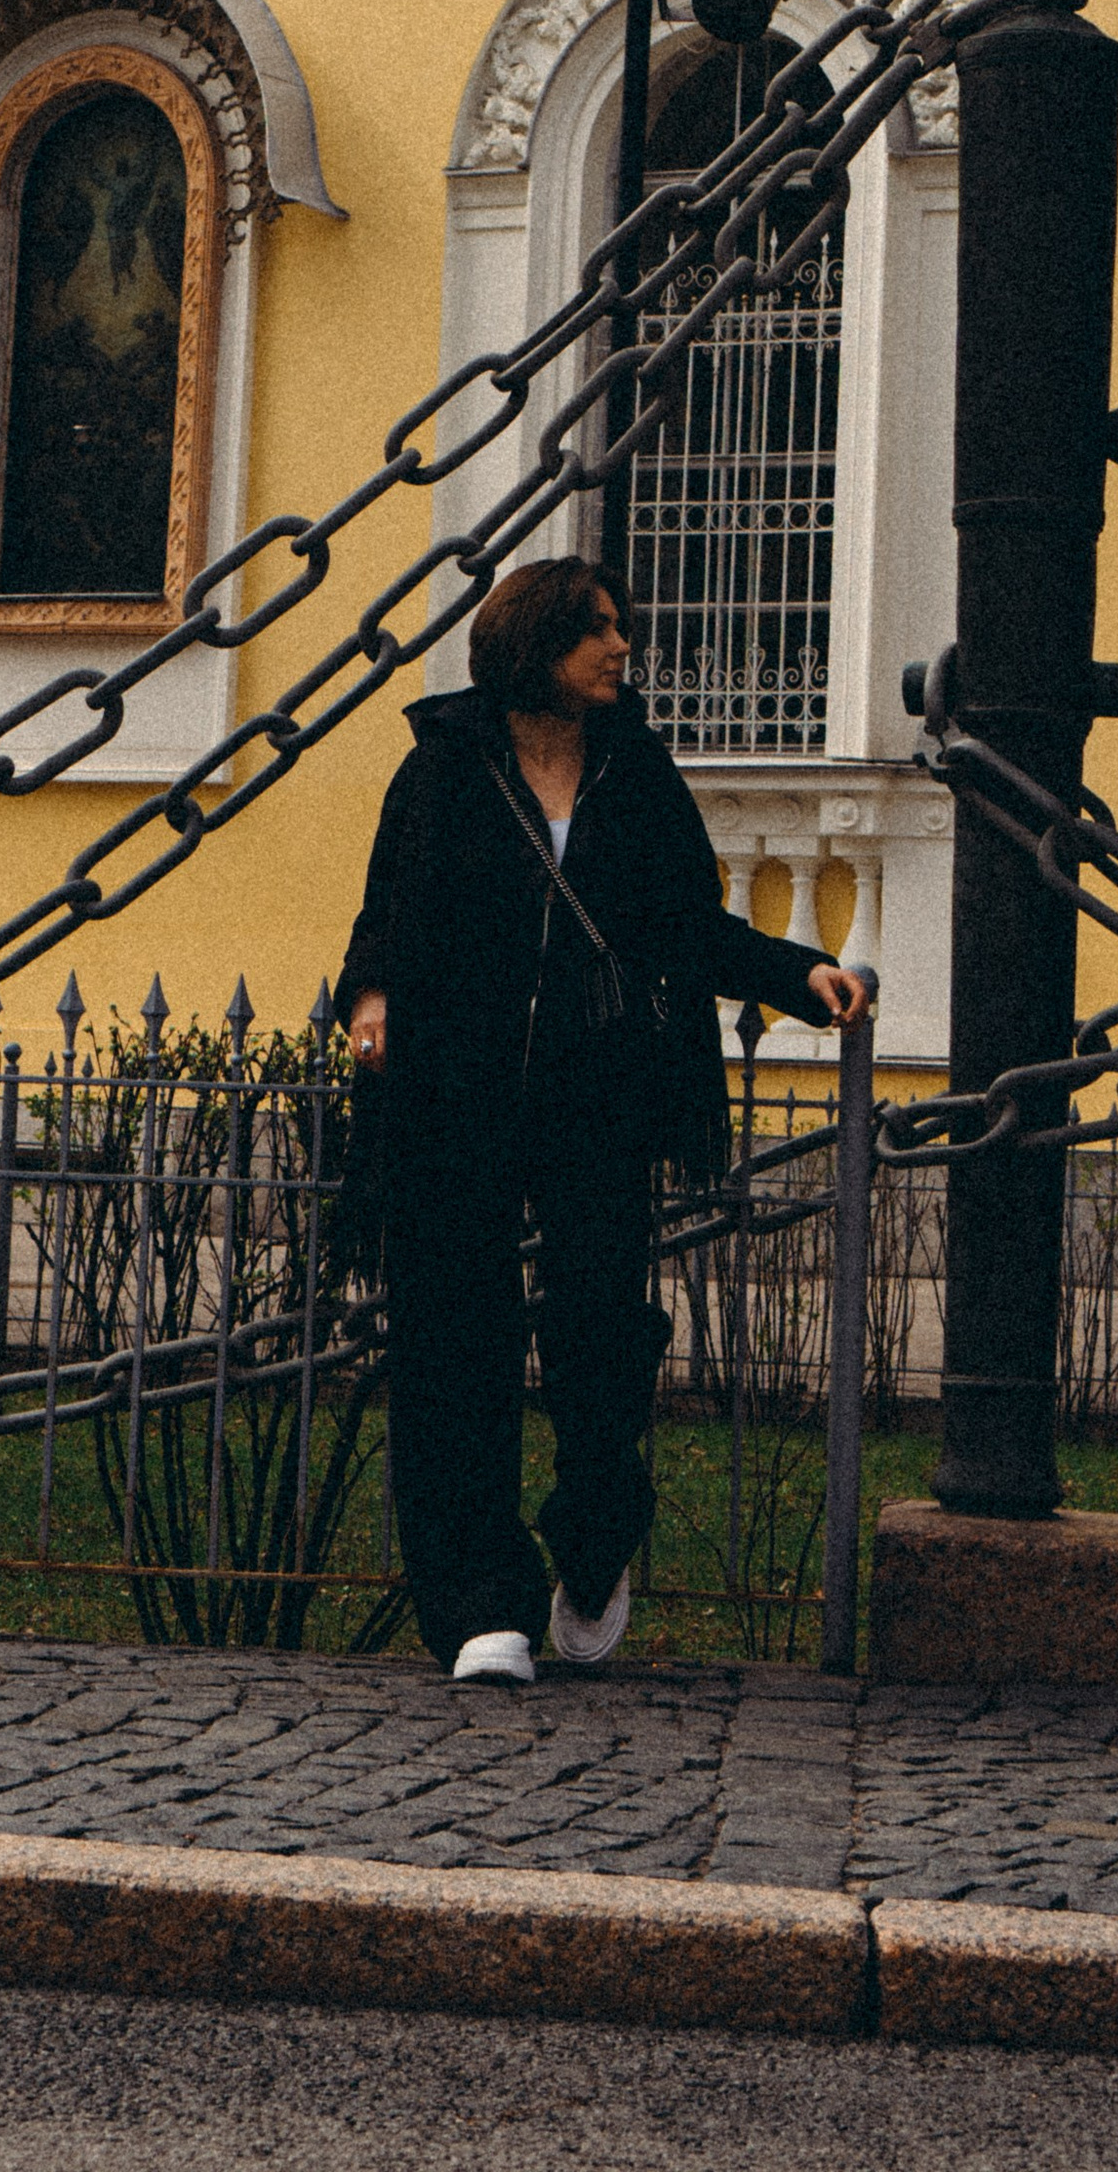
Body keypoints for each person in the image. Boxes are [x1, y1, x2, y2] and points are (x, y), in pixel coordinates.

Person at [334, 555, 870, 1685]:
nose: (620, 648)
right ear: (537, 643)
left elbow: (688, 921)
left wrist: (796, 973)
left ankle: (594, 1539)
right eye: (597, 631)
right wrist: (371, 997)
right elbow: (388, 909)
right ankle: (480, 1602)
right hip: (460, 1093)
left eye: (620, 629)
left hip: (598, 1093)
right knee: (454, 1339)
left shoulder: (636, 770)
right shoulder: (443, 767)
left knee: (599, 1336)